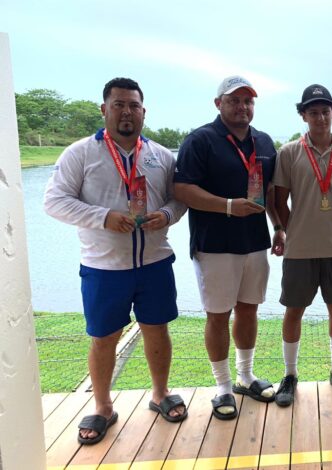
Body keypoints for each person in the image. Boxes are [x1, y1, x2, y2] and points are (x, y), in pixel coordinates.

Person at [44, 77, 188, 444]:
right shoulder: (80, 153)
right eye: (119, 104)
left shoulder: (160, 154)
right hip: (103, 266)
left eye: (134, 106)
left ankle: (160, 394)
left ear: (144, 111)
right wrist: (103, 216)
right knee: (104, 337)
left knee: (158, 329)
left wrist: (167, 216)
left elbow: (179, 199)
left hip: (155, 261)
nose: (127, 112)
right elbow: (54, 202)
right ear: (104, 109)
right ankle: (103, 407)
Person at [174, 75, 280, 420]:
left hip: (255, 242)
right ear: (218, 104)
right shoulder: (200, 140)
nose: (242, 107)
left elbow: (274, 192)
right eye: (234, 100)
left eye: (248, 101)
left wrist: (279, 227)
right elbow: (183, 190)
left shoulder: (263, 142)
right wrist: (228, 205)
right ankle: (221, 387)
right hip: (215, 244)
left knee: (249, 309)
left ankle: (245, 377)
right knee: (218, 315)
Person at [272, 84, 332, 406]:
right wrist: (287, 229)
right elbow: (279, 200)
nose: (320, 117)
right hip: (299, 249)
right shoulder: (289, 152)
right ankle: (290, 375)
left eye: (325, 111)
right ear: (303, 115)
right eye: (313, 112)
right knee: (294, 311)